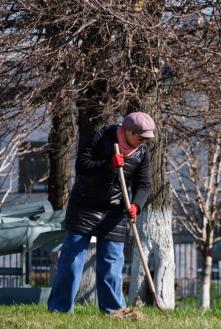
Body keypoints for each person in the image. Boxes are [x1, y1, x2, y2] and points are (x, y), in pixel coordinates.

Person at [48, 112, 153, 314]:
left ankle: (114, 311)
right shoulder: (103, 136)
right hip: (84, 206)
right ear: (127, 131)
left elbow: (143, 184)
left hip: (115, 211)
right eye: (141, 137)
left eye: (147, 138)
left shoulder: (142, 151)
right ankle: (59, 309)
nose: (144, 141)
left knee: (112, 263)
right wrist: (108, 164)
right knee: (72, 260)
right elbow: (81, 165)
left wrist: (136, 205)